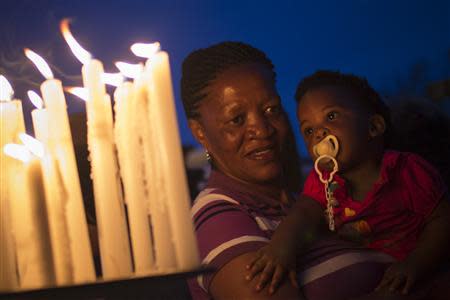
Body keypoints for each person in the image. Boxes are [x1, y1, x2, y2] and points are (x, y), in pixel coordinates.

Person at [181, 43, 396, 300]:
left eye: (271, 109)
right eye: (237, 119)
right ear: (200, 132)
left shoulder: (309, 204)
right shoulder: (217, 217)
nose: (262, 130)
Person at [246, 70, 450, 299]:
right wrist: (282, 248)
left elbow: (442, 222)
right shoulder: (323, 181)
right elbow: (303, 214)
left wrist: (416, 263)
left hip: (425, 274)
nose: (318, 133)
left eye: (331, 116)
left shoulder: (407, 170)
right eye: (308, 130)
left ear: (373, 127)